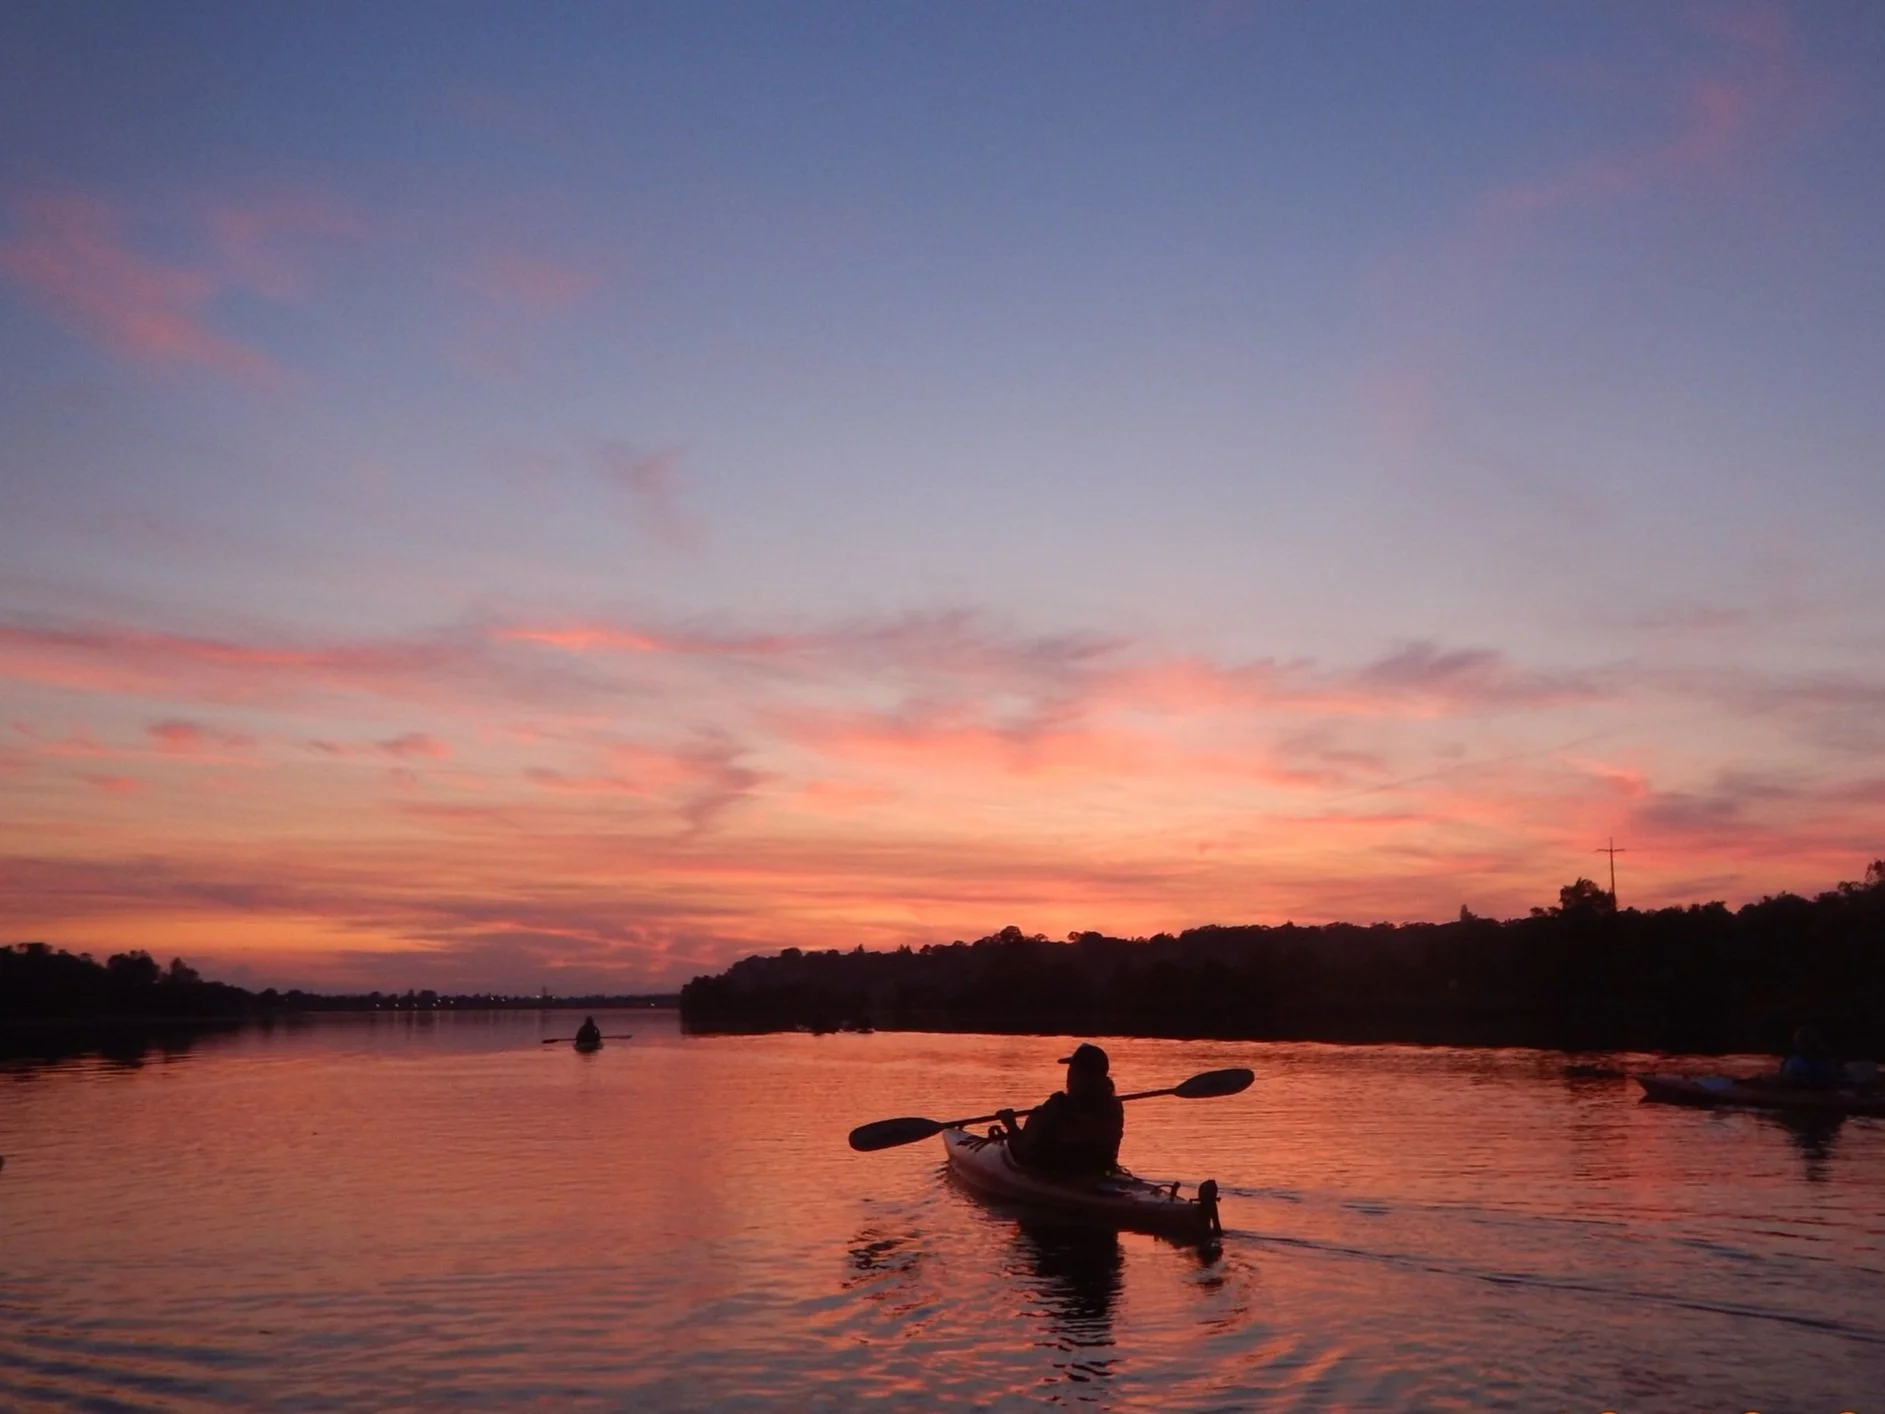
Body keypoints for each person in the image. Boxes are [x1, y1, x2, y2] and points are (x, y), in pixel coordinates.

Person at [997, 1043, 1125, 1178]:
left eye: (1072, 1069)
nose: (1068, 1074)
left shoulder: (1057, 1106)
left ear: (1077, 1074)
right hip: (1102, 1169)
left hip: (1058, 1172)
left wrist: (1011, 1126)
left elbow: (1026, 1150)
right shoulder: (1114, 1105)